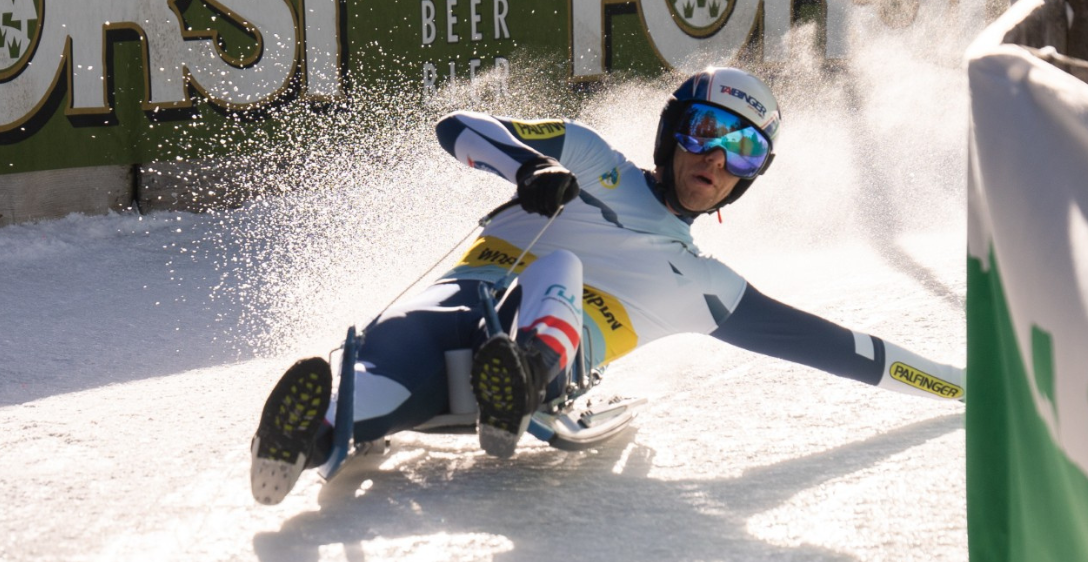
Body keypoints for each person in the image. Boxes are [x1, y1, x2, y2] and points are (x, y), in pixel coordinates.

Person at [250, 66, 965, 505]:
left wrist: (964, 387)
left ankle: (528, 375)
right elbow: (457, 127)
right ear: (671, 132)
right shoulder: (592, 161)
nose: (715, 159)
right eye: (705, 130)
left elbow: (845, 351)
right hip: (458, 306)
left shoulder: (707, 285)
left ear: (749, 179)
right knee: (382, 363)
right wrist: (528, 168)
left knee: (562, 271)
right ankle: (307, 437)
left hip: (545, 345)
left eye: (742, 150)